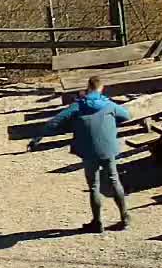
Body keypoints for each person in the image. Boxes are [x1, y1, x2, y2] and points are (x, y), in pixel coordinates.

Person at [43, 75, 133, 232]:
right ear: (101, 88)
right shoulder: (108, 105)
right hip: (107, 149)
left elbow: (54, 122)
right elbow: (126, 115)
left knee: (94, 186)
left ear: (88, 87)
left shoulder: (77, 106)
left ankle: (97, 222)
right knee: (113, 180)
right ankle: (124, 217)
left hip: (88, 150)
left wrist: (39, 138)